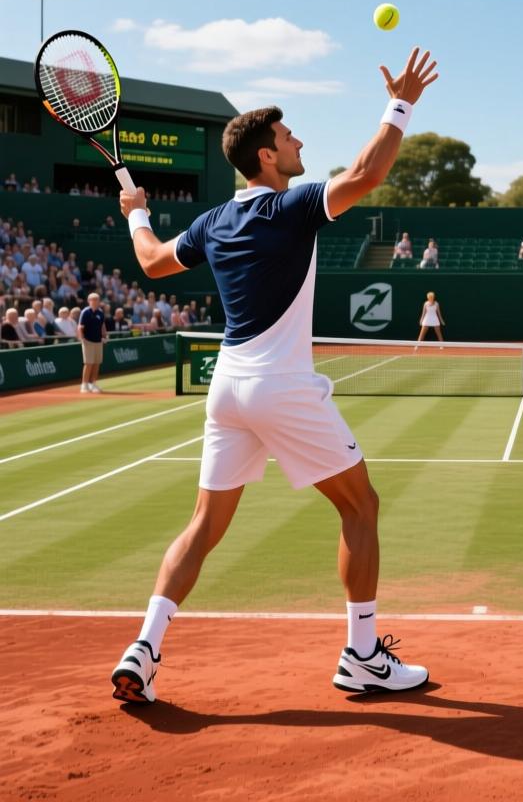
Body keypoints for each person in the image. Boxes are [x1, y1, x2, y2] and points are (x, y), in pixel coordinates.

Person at [110, 46, 438, 705]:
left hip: (227, 388)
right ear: (266, 156)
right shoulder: (287, 208)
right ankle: (363, 655)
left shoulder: (212, 221)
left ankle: (143, 650)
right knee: (361, 505)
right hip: (281, 387)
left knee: (203, 525)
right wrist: (401, 104)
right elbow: (368, 174)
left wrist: (136, 212)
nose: (297, 142)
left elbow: (150, 262)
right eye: (288, 137)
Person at [77, 292, 107, 393]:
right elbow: (80, 327)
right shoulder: (85, 312)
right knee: (88, 363)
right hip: (88, 341)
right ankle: (84, 385)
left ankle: (93, 384)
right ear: (89, 301)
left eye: (96, 299)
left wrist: (104, 336)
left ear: (99, 301)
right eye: (92, 300)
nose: (94, 301)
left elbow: (102, 326)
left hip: (98, 341)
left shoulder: (101, 313)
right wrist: (82, 339)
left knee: (96, 363)